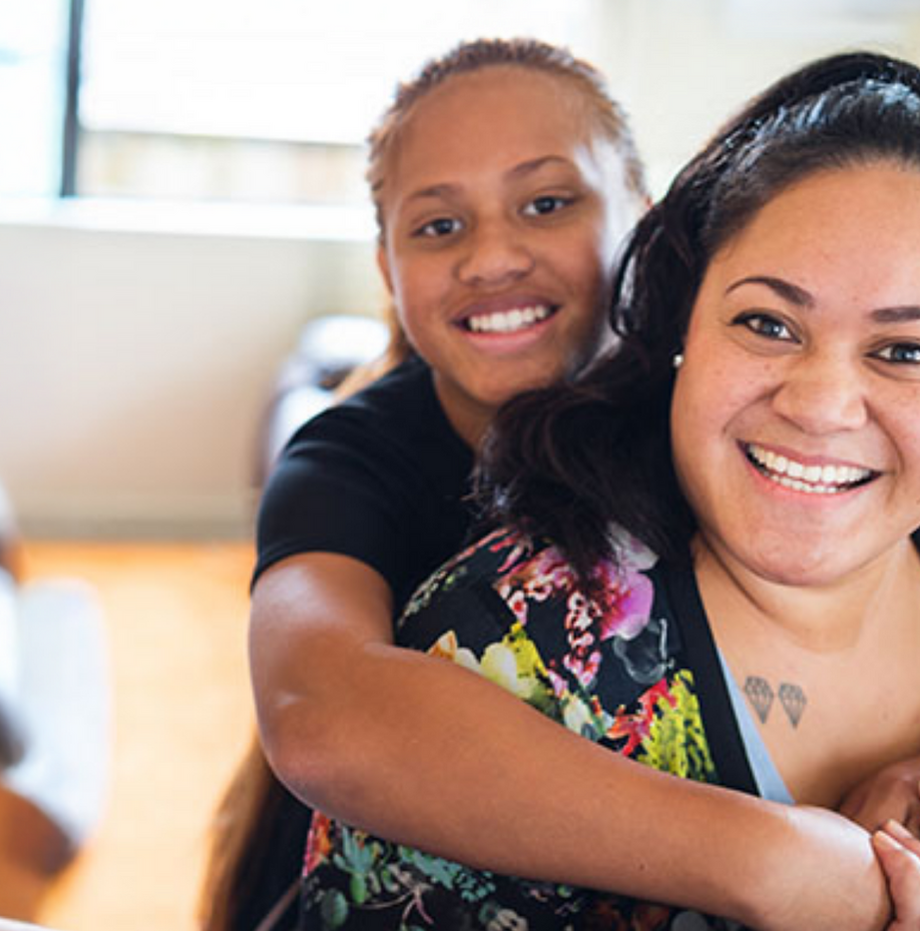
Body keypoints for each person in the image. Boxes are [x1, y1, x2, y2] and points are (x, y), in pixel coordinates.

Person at [273, 50, 920, 930]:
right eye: (766, 324)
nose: (818, 405)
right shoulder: (469, 589)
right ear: (685, 311)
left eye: (904, 350)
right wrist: (769, 859)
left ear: (638, 235)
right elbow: (319, 709)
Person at [202, 37, 649, 931]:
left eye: (545, 203)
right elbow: (316, 711)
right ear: (386, 266)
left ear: (641, 213)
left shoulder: (712, 423)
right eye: (440, 226)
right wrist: (768, 861)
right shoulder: (344, 460)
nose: (491, 258)